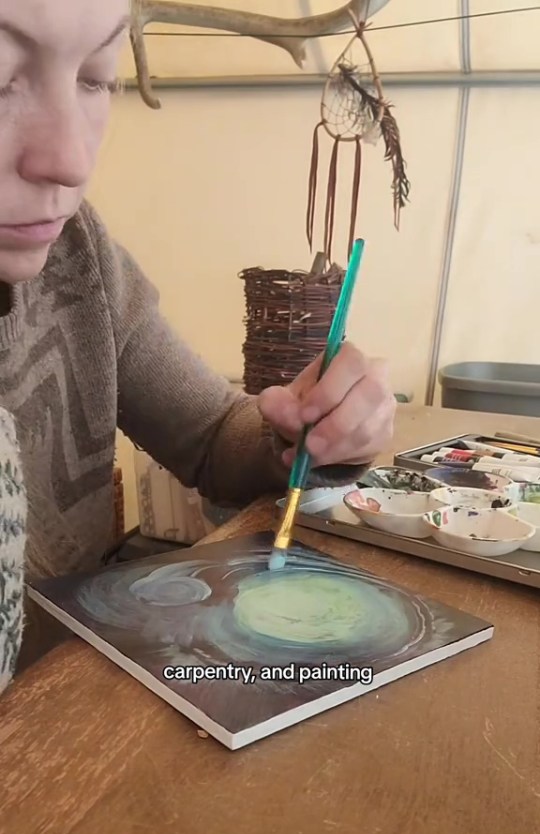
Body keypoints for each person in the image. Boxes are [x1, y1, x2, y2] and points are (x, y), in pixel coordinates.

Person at [0, 0, 396, 686]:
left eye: (95, 76)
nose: (70, 159)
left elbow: (213, 434)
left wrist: (309, 430)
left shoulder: (77, 258)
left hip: (74, 720)